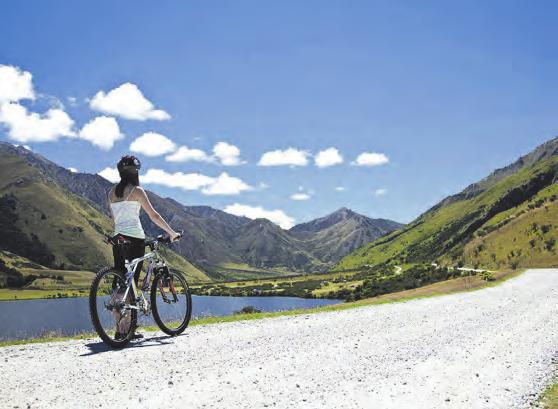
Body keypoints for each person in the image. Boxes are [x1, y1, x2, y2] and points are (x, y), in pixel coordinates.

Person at [108, 155, 180, 339]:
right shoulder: (137, 191)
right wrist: (171, 232)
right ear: (136, 172)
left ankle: (120, 330)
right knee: (130, 283)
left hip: (118, 239)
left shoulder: (111, 192)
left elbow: (115, 219)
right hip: (135, 239)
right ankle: (129, 330)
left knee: (120, 282)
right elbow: (154, 215)